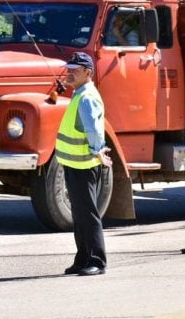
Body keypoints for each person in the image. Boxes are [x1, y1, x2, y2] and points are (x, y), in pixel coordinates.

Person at [56, 52, 113, 276]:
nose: (69, 73)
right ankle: (82, 258)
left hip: (85, 166)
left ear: (88, 73)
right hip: (74, 164)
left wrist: (99, 153)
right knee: (79, 216)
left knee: (87, 214)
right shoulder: (79, 94)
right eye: (69, 68)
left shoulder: (87, 97)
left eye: (74, 70)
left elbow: (93, 129)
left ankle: (97, 261)